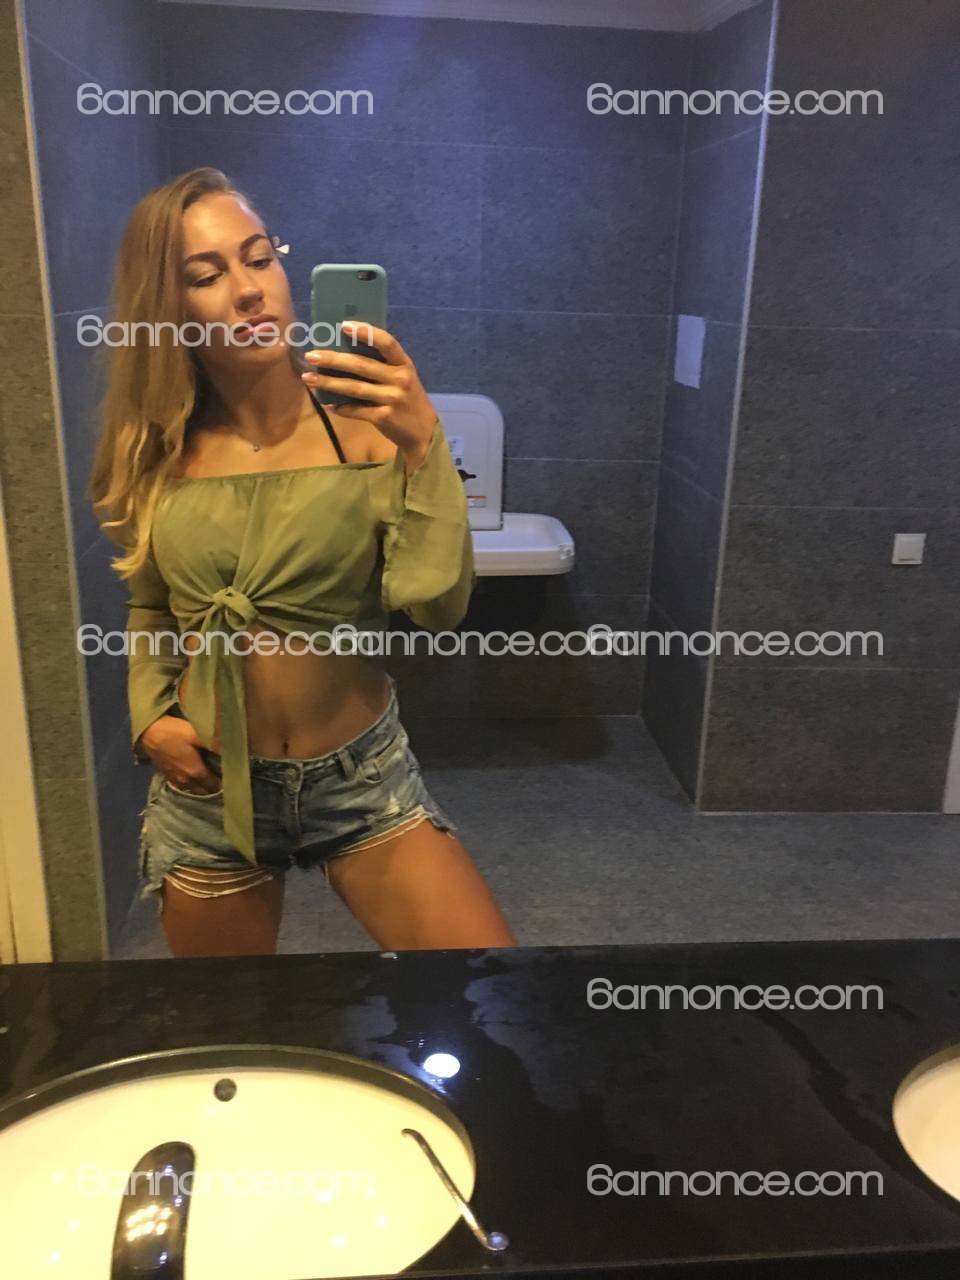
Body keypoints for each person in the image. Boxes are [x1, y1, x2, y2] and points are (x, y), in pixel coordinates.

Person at [90, 167, 516, 957]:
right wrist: (149, 716)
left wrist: (424, 446)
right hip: (210, 788)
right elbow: (151, 605)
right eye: (207, 276)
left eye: (259, 258)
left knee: (486, 993)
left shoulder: (371, 428)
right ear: (167, 309)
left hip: (360, 781)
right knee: (230, 1028)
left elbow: (435, 605)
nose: (250, 290)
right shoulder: (156, 449)